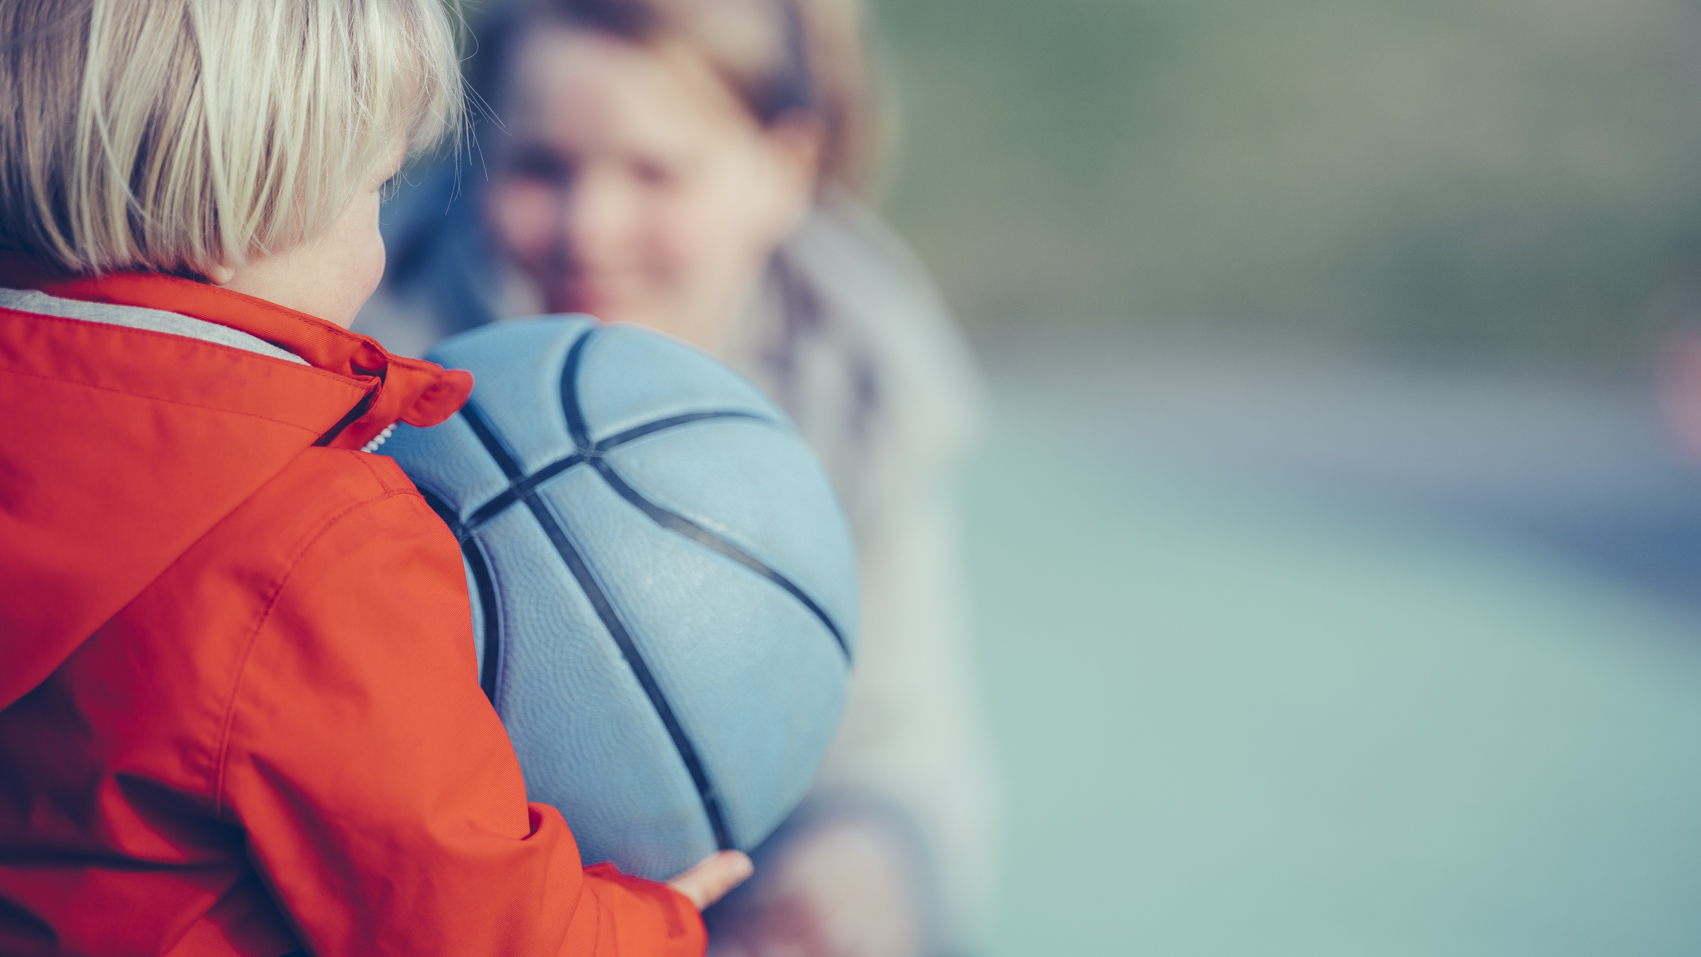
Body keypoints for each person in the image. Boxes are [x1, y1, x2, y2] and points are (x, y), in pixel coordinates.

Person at [0, 2, 750, 954]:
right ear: (252, 202)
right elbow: (477, 926)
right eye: (378, 189)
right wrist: (655, 925)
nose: (380, 250)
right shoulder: (313, 542)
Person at [355, 1, 1001, 954]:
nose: (592, 227)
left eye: (654, 172)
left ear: (784, 169)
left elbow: (893, 755)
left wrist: (857, 871)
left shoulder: (855, 384)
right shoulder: (360, 361)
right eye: (540, 167)